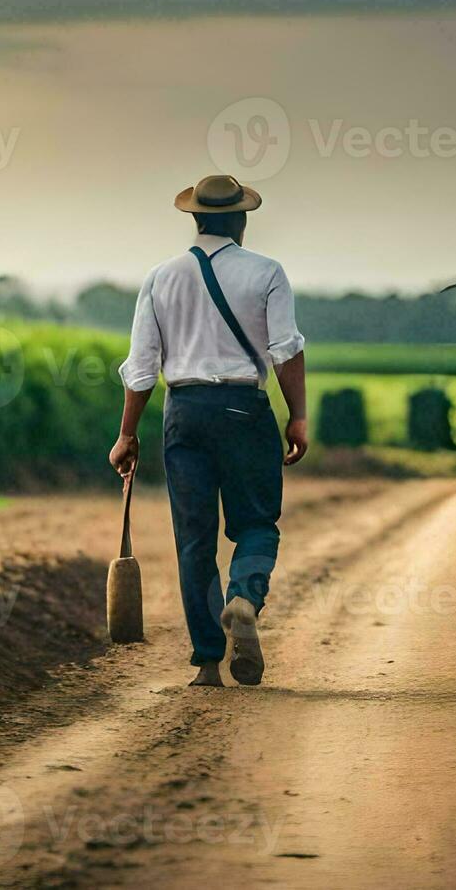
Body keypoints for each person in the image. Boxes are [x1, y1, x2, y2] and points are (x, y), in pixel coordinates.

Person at [111, 174, 308, 688]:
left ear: (195, 218)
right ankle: (243, 596)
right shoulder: (267, 272)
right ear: (241, 220)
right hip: (245, 409)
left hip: (185, 412)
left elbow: (141, 365)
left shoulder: (161, 277)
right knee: (258, 523)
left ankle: (206, 662)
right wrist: (299, 416)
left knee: (194, 540)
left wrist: (127, 434)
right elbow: (286, 349)